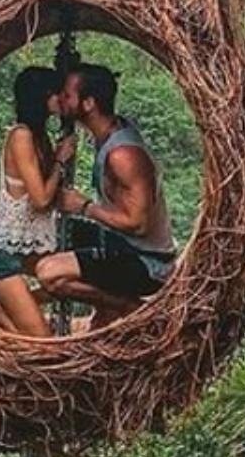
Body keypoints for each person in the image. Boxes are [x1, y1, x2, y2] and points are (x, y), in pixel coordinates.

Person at [35, 63, 176, 328]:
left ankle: (126, 306)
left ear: (88, 104)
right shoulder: (105, 134)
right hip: (119, 243)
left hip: (146, 264)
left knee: (50, 273)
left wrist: (84, 206)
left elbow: (138, 223)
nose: (60, 100)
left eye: (67, 95)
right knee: (37, 234)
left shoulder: (122, 155)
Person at [0, 66, 75, 337]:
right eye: (56, 95)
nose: (61, 100)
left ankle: (23, 304)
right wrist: (60, 162)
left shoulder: (41, 137)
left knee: (67, 278)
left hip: (23, 243)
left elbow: (49, 196)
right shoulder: (22, 136)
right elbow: (40, 199)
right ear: (41, 97)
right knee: (41, 343)